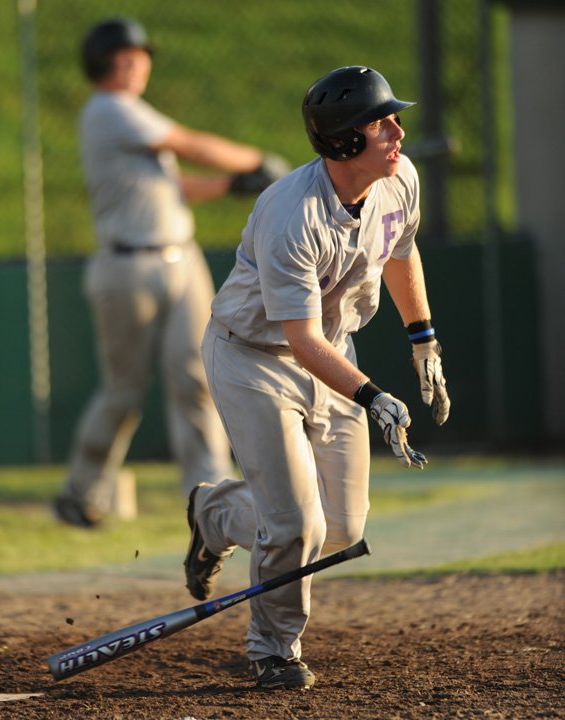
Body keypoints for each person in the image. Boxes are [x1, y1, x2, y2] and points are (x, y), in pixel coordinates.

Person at [183, 65, 451, 690]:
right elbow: (299, 341)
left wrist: (423, 338)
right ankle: (273, 649)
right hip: (253, 357)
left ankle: (217, 515)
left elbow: (402, 251)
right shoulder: (289, 213)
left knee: (341, 531)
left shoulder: (399, 178)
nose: (396, 129)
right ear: (342, 142)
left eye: (392, 116)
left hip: (332, 350)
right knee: (297, 526)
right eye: (379, 121)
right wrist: (374, 394)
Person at [54, 18, 290, 528]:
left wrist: (233, 183)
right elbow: (187, 143)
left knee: (201, 378)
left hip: (180, 259)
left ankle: (210, 499)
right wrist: (263, 163)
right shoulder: (109, 110)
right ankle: (81, 490)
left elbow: (173, 185)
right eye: (130, 55)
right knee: (123, 392)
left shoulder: (130, 115)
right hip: (126, 268)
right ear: (111, 62)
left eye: (140, 55)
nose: (140, 63)